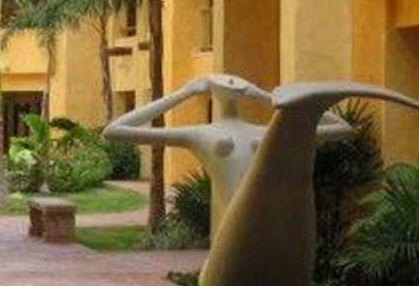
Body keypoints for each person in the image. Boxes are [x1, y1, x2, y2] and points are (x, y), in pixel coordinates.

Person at [105, 73, 366, 232]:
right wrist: (185, 92)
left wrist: (265, 96)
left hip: (265, 219)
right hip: (228, 224)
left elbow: (343, 128)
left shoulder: (264, 132)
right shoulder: (201, 133)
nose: (231, 84)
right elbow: (115, 130)